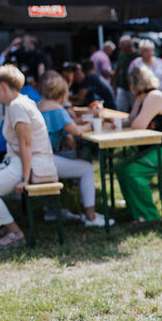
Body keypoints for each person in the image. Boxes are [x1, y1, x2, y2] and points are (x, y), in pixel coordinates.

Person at [0, 64, 57, 249]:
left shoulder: (17, 106)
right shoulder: (15, 104)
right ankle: (4, 224)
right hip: (18, 161)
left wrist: (25, 179)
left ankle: (15, 232)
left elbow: (26, 144)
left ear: (4, 86)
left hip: (31, 164)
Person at [37, 71, 111, 227]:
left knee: (73, 158)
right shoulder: (57, 109)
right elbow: (76, 131)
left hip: (37, 158)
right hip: (44, 160)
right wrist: (93, 123)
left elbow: (69, 125)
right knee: (87, 168)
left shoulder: (40, 106)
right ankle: (90, 216)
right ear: (63, 93)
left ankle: (54, 209)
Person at [115, 65, 162, 223]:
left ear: (135, 83)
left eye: (130, 84)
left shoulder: (155, 96)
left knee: (133, 171)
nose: (129, 87)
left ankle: (148, 216)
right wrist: (137, 99)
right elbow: (132, 119)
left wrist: (135, 109)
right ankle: (134, 207)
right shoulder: (144, 97)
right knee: (121, 168)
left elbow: (137, 125)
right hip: (158, 147)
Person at [113, 35, 138, 111]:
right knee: (120, 108)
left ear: (128, 45)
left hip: (134, 88)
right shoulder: (122, 54)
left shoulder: (137, 56)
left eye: (122, 45)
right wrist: (114, 85)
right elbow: (117, 69)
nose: (120, 47)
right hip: (122, 86)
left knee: (135, 108)